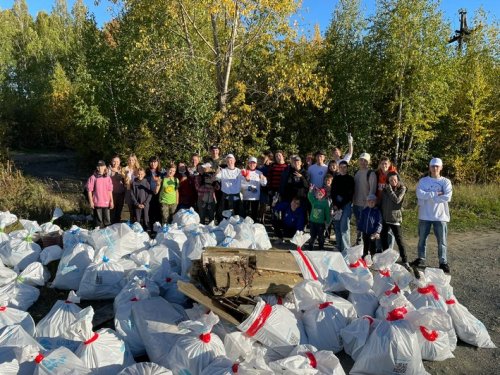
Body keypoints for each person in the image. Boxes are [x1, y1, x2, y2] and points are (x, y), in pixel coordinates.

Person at [411, 158, 452, 273]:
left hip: (441, 216)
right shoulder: (423, 181)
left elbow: (447, 197)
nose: (435, 168)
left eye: (437, 166)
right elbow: (419, 194)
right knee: (422, 239)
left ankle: (443, 262)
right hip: (425, 215)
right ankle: (421, 258)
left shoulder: (446, 182)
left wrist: (428, 196)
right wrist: (436, 193)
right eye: (433, 166)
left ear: (441, 167)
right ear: (429, 167)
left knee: (442, 241)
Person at [380, 172, 410, 269]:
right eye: (391, 180)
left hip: (395, 218)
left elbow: (397, 200)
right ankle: (386, 257)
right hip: (385, 218)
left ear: (398, 180)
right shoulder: (385, 190)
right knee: (383, 237)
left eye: (395, 180)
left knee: (399, 239)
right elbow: (383, 202)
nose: (393, 182)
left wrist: (389, 190)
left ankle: (405, 260)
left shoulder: (402, 188)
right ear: (388, 181)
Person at [352, 153, 377, 245]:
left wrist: (368, 204)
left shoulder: (371, 173)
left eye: (365, 160)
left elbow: (372, 190)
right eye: (361, 160)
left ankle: (366, 246)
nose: (363, 162)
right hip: (356, 203)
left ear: (369, 162)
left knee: (366, 226)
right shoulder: (357, 172)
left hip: (365, 205)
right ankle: (359, 243)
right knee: (358, 225)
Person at [330, 160, 354, 252]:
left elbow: (349, 195)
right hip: (336, 205)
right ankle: (339, 246)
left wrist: (340, 205)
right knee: (337, 226)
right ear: (338, 168)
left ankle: (346, 249)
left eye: (344, 167)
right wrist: (335, 205)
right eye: (341, 167)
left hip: (346, 205)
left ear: (347, 168)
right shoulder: (336, 178)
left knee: (344, 227)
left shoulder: (350, 179)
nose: (343, 169)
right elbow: (333, 192)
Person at [86, 160, 114, 229]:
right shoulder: (93, 177)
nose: (100, 168)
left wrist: (111, 201)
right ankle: (99, 235)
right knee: (99, 221)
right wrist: (91, 201)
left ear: (105, 167)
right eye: (98, 166)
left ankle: (107, 235)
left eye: (101, 166)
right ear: (97, 167)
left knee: (107, 220)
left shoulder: (108, 177)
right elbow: (89, 190)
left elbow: (110, 190)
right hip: (97, 202)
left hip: (106, 202)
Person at [240, 156, 267, 221]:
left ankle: (253, 228)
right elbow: (240, 185)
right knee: (245, 215)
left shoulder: (259, 173)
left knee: (254, 214)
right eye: (251, 163)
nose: (252, 164)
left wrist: (263, 178)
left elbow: (264, 184)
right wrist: (248, 187)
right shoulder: (244, 172)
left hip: (255, 197)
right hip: (246, 197)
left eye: (254, 163)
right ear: (248, 164)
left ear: (256, 164)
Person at [358, 194, 382, 258]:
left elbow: (379, 223)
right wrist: (359, 228)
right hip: (365, 232)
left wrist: (377, 232)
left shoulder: (377, 212)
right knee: (365, 244)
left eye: (373, 202)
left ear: (375, 202)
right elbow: (361, 220)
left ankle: (372, 256)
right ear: (367, 202)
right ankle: (365, 255)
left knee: (372, 245)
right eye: (369, 201)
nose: (371, 203)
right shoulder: (364, 210)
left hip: (372, 233)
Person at [307, 186, 331, 250]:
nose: (318, 194)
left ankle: (321, 247)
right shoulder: (314, 201)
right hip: (312, 222)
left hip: (321, 223)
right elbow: (309, 196)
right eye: (317, 193)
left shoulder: (325, 203)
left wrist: (328, 221)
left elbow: (327, 212)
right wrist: (310, 190)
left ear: (323, 195)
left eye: (320, 193)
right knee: (312, 236)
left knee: (321, 236)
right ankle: (310, 247)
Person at [146, 156, 164, 228]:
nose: (153, 164)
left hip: (159, 194)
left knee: (159, 210)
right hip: (149, 193)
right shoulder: (147, 171)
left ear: (158, 162)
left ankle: (159, 227)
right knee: (150, 211)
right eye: (151, 162)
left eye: (155, 162)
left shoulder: (162, 171)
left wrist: (159, 180)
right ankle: (151, 227)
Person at [257, 150, 274, 223]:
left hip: (267, 187)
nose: (262, 160)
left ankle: (265, 218)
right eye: (261, 159)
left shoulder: (270, 167)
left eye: (263, 159)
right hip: (259, 188)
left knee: (266, 204)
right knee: (260, 204)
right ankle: (260, 217)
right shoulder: (258, 167)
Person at [108, 155, 126, 224]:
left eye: (117, 161)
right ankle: (111, 226)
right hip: (111, 194)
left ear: (120, 162)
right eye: (114, 161)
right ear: (111, 162)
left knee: (119, 211)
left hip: (121, 193)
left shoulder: (122, 170)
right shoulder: (108, 170)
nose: (115, 163)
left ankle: (117, 226)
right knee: (112, 211)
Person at [123, 154, 140, 221]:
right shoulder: (125, 168)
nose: (131, 161)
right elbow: (124, 180)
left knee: (136, 206)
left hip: (137, 190)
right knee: (130, 207)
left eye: (132, 160)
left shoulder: (138, 169)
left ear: (135, 160)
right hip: (128, 189)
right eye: (129, 160)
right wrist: (126, 176)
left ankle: (137, 222)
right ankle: (131, 221)